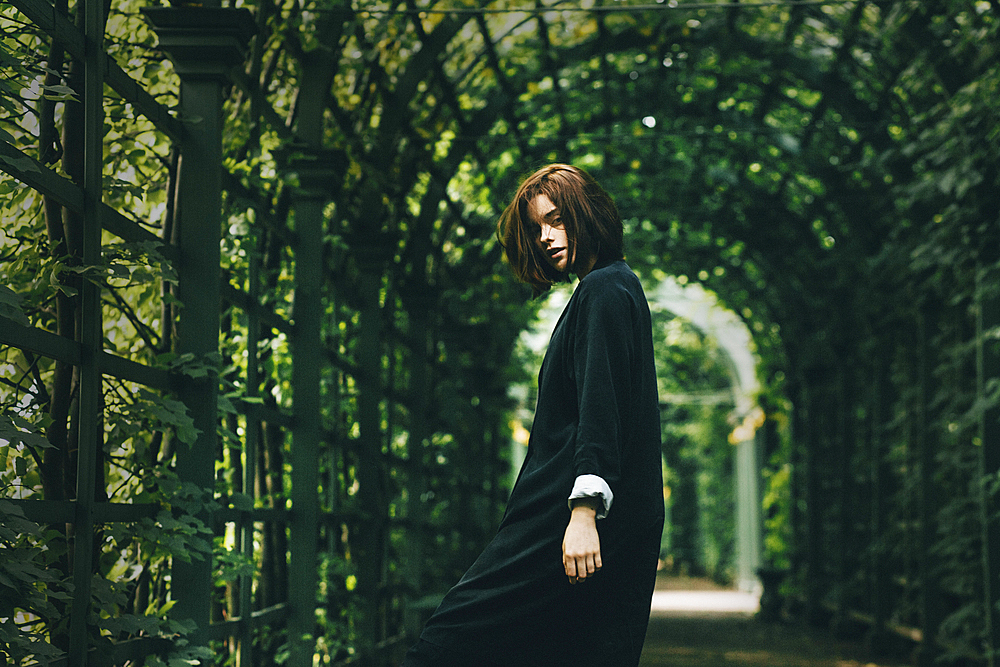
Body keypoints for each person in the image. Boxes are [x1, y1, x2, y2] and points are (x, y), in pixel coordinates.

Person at [401, 164, 664, 667]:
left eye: (557, 220)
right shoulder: (610, 288)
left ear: (588, 214)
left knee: (447, 642)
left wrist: (584, 510)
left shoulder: (605, 290)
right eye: (537, 227)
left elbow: (601, 405)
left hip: (563, 520)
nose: (545, 237)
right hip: (587, 519)